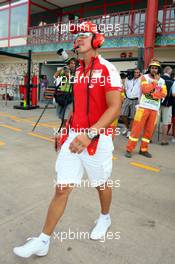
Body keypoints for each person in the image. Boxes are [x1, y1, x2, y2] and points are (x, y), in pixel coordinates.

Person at [13, 21, 122, 258]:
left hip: (98, 138)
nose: (78, 39)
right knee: (61, 189)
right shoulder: (79, 71)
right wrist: (65, 129)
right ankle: (43, 240)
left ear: (97, 39)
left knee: (101, 184)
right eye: (77, 36)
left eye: (84, 35)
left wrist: (90, 133)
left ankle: (105, 217)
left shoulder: (107, 70)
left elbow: (115, 107)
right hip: (74, 134)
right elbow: (78, 106)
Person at [125, 59, 167, 158]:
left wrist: (153, 93)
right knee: (136, 130)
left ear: (158, 70)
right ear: (150, 69)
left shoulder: (163, 81)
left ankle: (143, 150)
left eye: (156, 68)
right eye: (152, 68)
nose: (154, 70)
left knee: (149, 131)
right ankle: (129, 149)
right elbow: (145, 90)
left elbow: (164, 93)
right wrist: (155, 83)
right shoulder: (144, 77)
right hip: (143, 107)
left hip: (154, 109)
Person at [121, 68, 141, 138]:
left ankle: (130, 131)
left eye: (138, 72)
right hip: (128, 98)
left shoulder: (141, 79)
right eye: (135, 72)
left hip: (136, 100)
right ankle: (126, 127)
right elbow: (125, 88)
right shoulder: (128, 79)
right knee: (123, 114)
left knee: (133, 117)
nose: (136, 74)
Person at [160, 66, 175, 145]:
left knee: (154, 122)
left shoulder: (159, 78)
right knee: (165, 123)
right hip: (168, 104)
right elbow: (173, 94)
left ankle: (148, 139)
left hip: (157, 103)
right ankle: (164, 140)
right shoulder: (173, 81)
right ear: (169, 72)